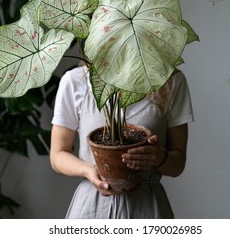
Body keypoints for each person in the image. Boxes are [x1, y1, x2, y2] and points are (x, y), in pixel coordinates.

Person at [50, 63, 194, 218]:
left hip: (146, 209)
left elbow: (177, 164)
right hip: (93, 207)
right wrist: (89, 171)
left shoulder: (170, 80)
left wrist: (159, 157)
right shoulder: (77, 80)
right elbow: (57, 155)